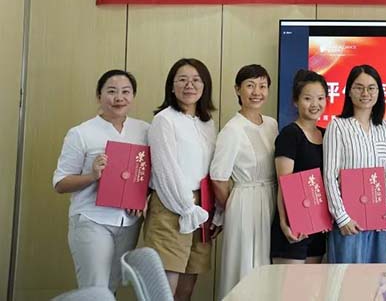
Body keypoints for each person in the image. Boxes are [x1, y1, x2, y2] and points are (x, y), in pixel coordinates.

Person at [53, 70, 149, 292]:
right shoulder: (81, 133)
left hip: (128, 223)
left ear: (133, 96)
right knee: (95, 289)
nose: (119, 98)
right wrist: (92, 176)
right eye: (112, 91)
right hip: (92, 219)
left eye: (126, 92)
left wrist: (142, 199)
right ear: (99, 96)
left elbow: (148, 175)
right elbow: (60, 183)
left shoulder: (144, 130)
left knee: (113, 287)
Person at [143, 58, 218, 301]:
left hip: (201, 206)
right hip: (171, 204)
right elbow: (165, 169)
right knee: (166, 288)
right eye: (182, 80)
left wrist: (212, 209)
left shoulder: (208, 123)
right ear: (171, 86)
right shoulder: (164, 120)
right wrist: (186, 206)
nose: (189, 85)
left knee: (188, 284)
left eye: (196, 80)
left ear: (205, 86)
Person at [210, 64, 278, 297]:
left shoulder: (271, 124)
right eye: (250, 86)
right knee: (246, 264)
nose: (256, 92)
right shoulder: (233, 129)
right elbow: (218, 178)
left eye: (262, 86)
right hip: (245, 202)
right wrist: (233, 207)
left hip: (271, 198)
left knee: (267, 264)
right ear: (238, 89)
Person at [323, 64, 386, 263]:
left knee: (376, 277)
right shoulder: (337, 126)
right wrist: (342, 218)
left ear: (379, 92)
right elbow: (330, 176)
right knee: (347, 278)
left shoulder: (385, 128)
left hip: (379, 219)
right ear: (349, 91)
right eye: (359, 87)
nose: (365, 93)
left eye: (371, 88)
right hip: (349, 221)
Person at [271, 69, 329, 264]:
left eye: (320, 98)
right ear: (296, 101)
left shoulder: (327, 134)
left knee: (313, 283)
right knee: (291, 283)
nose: (315, 104)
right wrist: (284, 222)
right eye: (307, 98)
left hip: (319, 225)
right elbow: (284, 183)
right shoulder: (290, 134)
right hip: (293, 224)